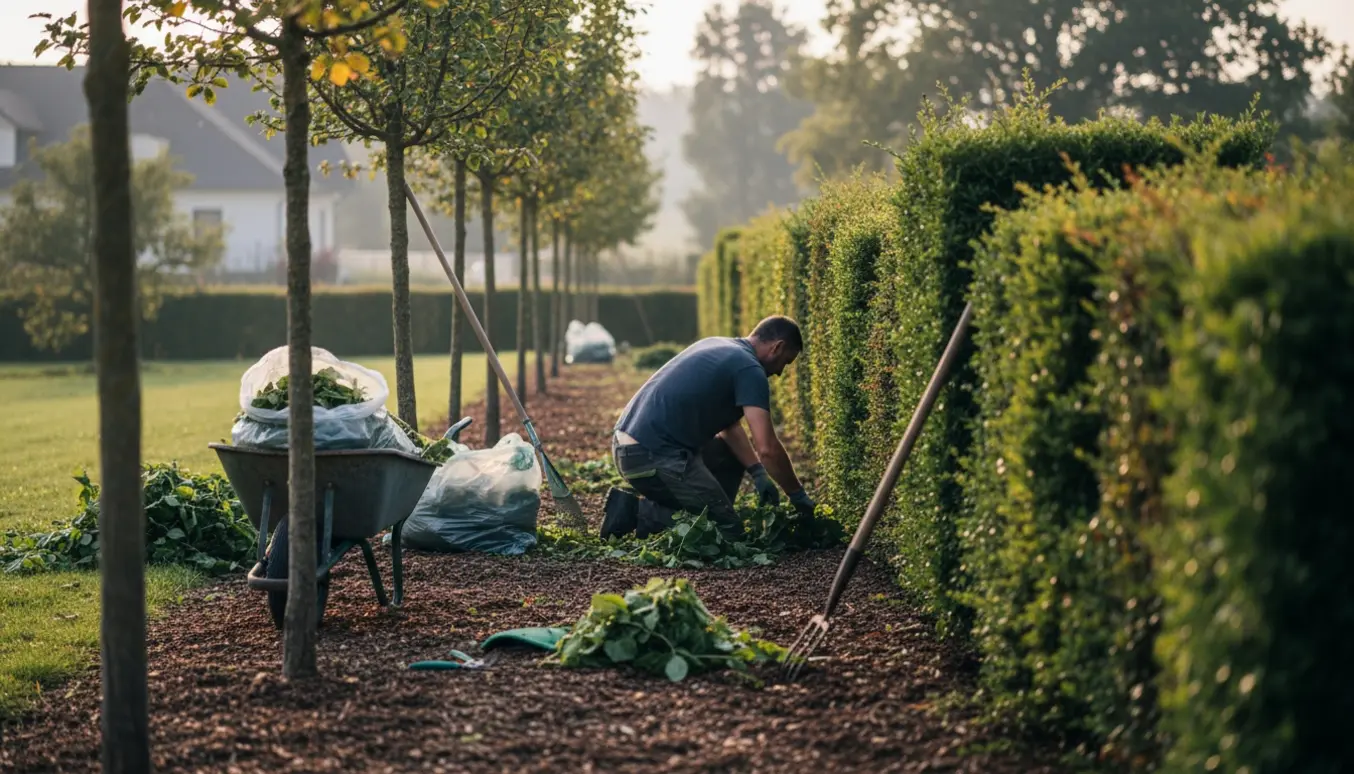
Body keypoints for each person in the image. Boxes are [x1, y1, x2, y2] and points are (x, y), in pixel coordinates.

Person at [602, 315, 816, 539]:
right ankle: (634, 513)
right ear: (777, 347)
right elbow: (767, 448)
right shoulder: (750, 369)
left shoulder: (720, 345)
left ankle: (714, 507)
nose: (780, 372)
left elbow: (729, 427)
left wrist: (757, 471)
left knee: (730, 455)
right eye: (785, 362)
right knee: (727, 531)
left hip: (629, 447)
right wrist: (797, 495)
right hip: (650, 456)